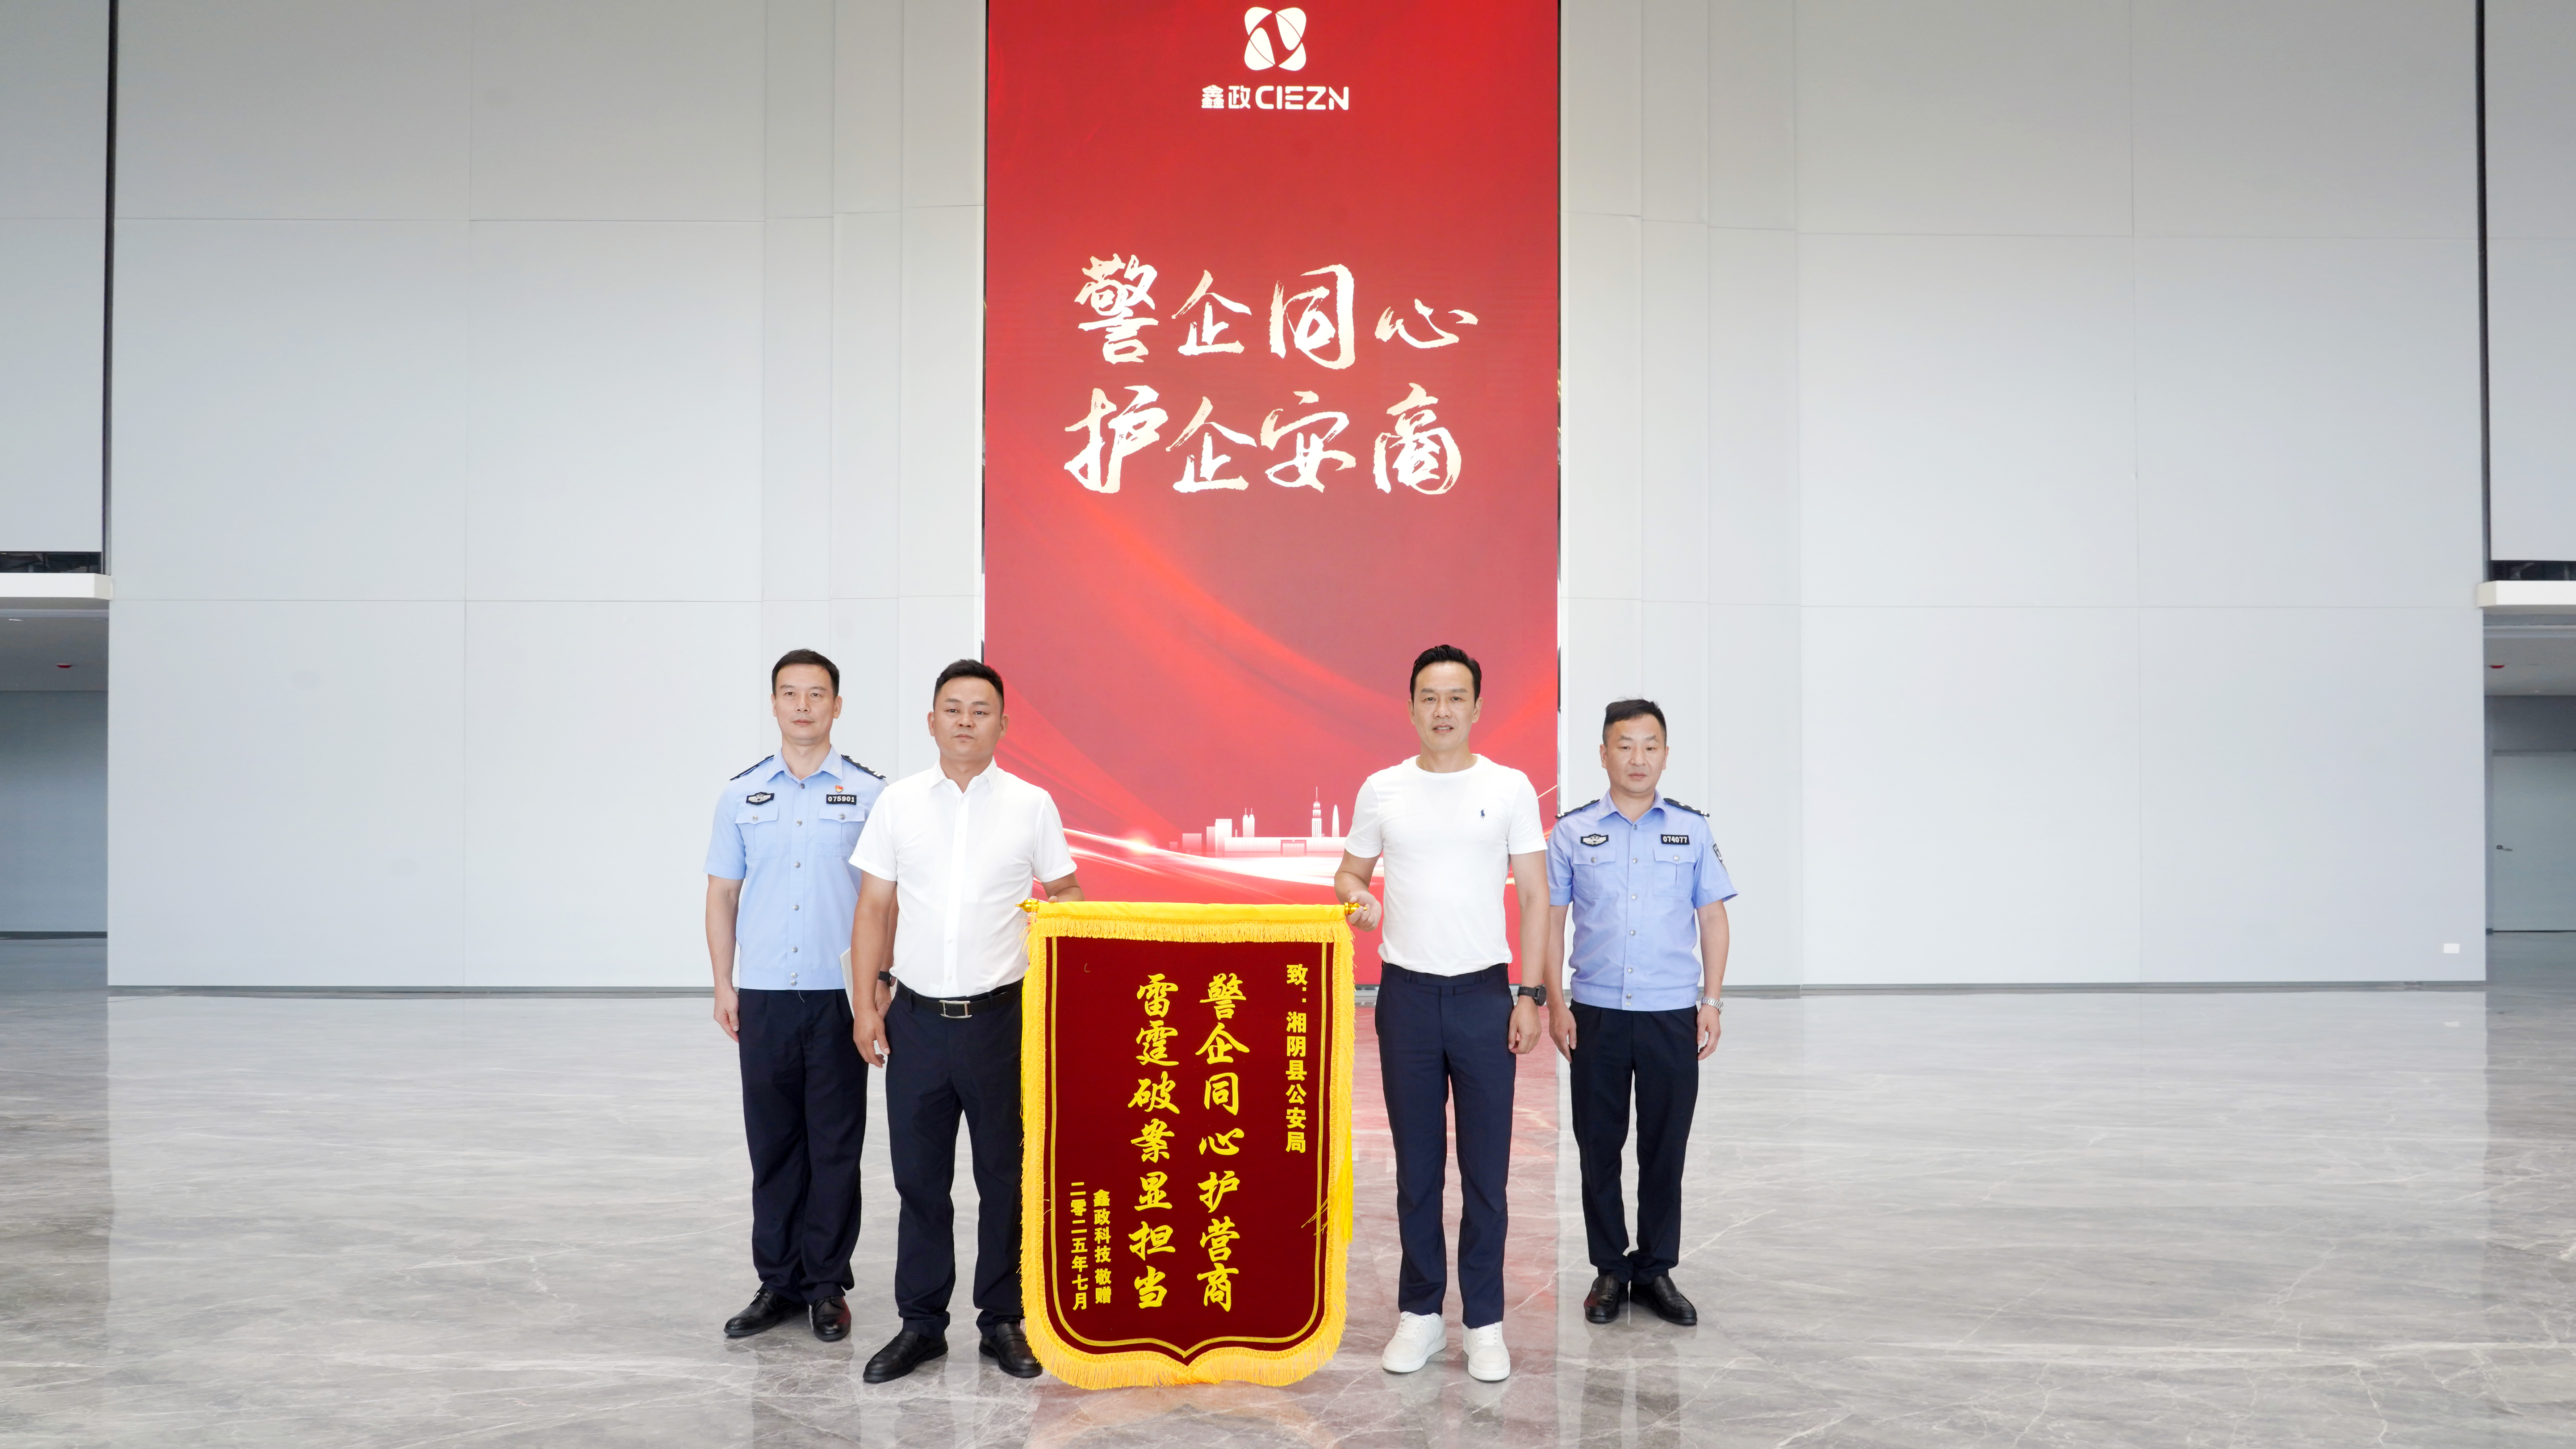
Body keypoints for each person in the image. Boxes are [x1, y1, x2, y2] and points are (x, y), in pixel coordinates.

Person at [847, 659, 1082, 1383]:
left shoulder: (1031, 804)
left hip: (1001, 1022)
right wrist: (864, 1003)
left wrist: (1060, 970)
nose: (965, 721)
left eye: (981, 710)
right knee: (919, 1180)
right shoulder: (898, 803)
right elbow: (874, 908)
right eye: (953, 708)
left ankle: (1002, 1319)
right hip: (915, 1019)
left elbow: (1067, 893)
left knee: (1004, 1176)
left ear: (1003, 725)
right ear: (931, 720)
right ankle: (921, 1324)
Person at [1333, 644, 1550, 1383]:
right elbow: (1349, 873)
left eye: (1457, 697)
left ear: (1477, 707)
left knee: (1486, 1172)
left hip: (1486, 997)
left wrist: (1531, 995)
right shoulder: (1383, 789)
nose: (1443, 710)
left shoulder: (1509, 787)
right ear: (1410, 707)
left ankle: (1484, 1322)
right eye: (1429, 697)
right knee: (1417, 1168)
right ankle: (1420, 1314)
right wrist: (1357, 899)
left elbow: (1534, 897)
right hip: (1407, 999)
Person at [705, 648, 887, 1344]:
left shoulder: (872, 794)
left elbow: (886, 902)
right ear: (775, 703)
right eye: (790, 693)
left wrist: (879, 985)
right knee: (774, 1142)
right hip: (765, 995)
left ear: (838, 706)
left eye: (817, 694)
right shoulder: (741, 795)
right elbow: (722, 895)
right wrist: (724, 982)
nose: (804, 706)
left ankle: (826, 1286)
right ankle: (778, 1282)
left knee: (835, 1144)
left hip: (840, 996)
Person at [1545, 699, 1734, 1328]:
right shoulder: (1572, 831)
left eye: (1650, 746)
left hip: (1670, 1015)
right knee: (1598, 1147)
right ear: (1603, 754)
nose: (1638, 758)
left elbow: (1713, 917)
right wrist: (1554, 1003)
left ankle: (1655, 1271)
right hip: (1595, 1014)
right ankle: (1609, 1269)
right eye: (1625, 746)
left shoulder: (1692, 830)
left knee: (1664, 1148)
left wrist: (1711, 1001)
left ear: (1666, 755)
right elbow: (1551, 923)